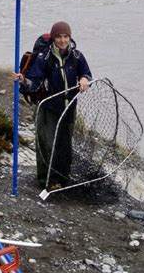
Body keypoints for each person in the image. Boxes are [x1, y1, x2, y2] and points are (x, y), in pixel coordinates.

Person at [13, 21, 92, 189]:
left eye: (66, 36)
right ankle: (46, 181)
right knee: (46, 144)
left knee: (65, 145)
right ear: (53, 38)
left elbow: (86, 73)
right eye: (59, 36)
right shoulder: (44, 58)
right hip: (47, 108)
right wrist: (23, 80)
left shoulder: (77, 56)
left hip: (69, 107)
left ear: (70, 37)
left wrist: (85, 79)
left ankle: (62, 180)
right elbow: (34, 82)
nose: (63, 40)